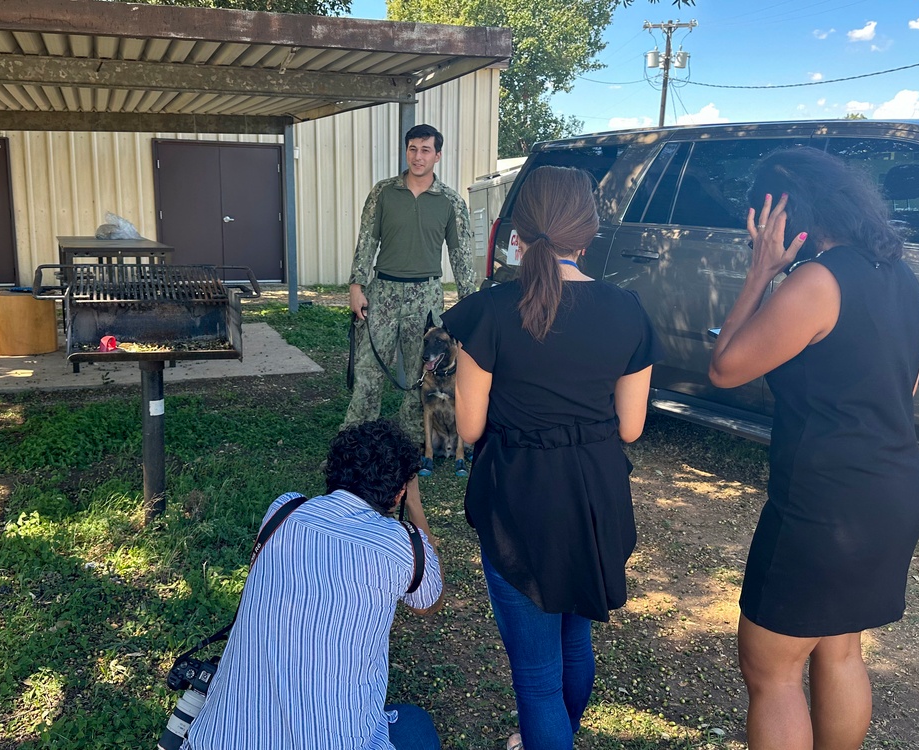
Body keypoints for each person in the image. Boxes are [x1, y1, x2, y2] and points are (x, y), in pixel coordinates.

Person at [708, 148, 919, 750]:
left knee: (771, 669)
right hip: (894, 489)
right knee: (839, 646)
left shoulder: (817, 279)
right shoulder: (899, 276)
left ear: (785, 216)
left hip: (825, 503)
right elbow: (903, 385)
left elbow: (726, 367)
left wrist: (759, 272)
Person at [440, 165, 661, 750]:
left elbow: (468, 427)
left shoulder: (487, 311)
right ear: (588, 232)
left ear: (520, 230)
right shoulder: (627, 309)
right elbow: (632, 428)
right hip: (596, 496)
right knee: (575, 641)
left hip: (521, 497)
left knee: (536, 679)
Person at [183, 419, 445, 750]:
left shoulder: (283, 510)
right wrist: (416, 507)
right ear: (397, 495)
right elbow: (430, 601)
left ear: (333, 471)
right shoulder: (403, 545)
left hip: (217, 740)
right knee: (415, 724)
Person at [342, 123, 476, 445]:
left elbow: (461, 256)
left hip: (426, 297)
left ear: (437, 156)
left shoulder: (450, 202)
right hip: (383, 292)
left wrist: (471, 303)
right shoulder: (383, 192)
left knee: (422, 373)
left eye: (425, 150)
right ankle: (355, 444)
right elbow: (366, 241)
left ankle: (413, 442)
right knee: (369, 370)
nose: (418, 157)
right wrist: (357, 286)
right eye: (413, 149)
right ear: (406, 151)